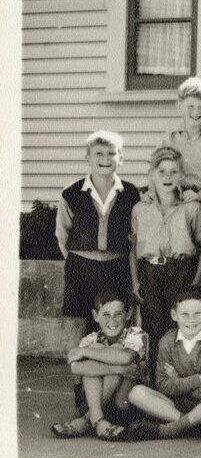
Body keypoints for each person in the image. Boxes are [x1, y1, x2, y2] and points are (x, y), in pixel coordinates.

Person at [55, 130, 140, 344]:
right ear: (87, 158)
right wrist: (79, 259)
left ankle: (111, 371)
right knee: (79, 322)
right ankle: (80, 375)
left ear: (121, 158)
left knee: (114, 322)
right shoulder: (71, 193)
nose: (105, 159)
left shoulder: (131, 193)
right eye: (98, 153)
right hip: (80, 267)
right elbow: (62, 233)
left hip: (116, 266)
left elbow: (135, 234)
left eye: (111, 153)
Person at [129, 146, 201, 378]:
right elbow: (133, 247)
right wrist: (134, 282)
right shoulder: (140, 208)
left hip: (181, 270)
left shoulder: (192, 208)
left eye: (173, 172)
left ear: (181, 175)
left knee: (177, 328)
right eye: (161, 171)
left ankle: (176, 384)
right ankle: (154, 382)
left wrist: (197, 278)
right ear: (151, 173)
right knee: (153, 326)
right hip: (149, 271)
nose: (167, 177)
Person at [125, 287, 201, 440]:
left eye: (197, 314)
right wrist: (197, 379)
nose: (191, 320)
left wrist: (178, 382)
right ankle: (196, 426)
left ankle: (170, 429)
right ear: (174, 315)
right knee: (136, 393)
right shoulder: (167, 341)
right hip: (175, 405)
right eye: (185, 314)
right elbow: (162, 385)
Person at [50, 291, 147, 441]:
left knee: (112, 351)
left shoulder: (136, 333)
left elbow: (126, 356)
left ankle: (86, 420)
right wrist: (118, 369)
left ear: (128, 314)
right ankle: (100, 422)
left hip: (122, 406)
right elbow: (76, 367)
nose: (112, 320)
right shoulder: (91, 339)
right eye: (106, 315)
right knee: (97, 348)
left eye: (118, 314)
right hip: (93, 400)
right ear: (96, 316)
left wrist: (84, 352)